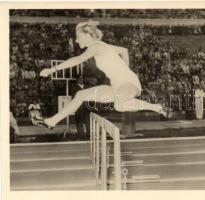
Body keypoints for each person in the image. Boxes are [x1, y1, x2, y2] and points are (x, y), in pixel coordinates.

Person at [34, 20, 170, 129]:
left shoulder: (96, 47)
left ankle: (157, 107)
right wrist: (125, 70)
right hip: (116, 84)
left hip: (129, 83)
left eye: (78, 37)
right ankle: (51, 121)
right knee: (81, 95)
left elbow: (78, 59)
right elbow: (124, 51)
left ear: (87, 35)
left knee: (120, 105)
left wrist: (52, 70)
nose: (76, 41)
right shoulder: (102, 46)